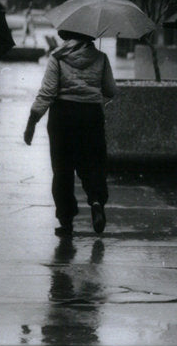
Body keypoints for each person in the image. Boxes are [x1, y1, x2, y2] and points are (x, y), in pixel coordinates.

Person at [24, 29, 117, 236]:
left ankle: (66, 221)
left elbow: (47, 93)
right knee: (93, 165)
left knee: (62, 170)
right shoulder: (101, 58)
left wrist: (32, 121)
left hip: (62, 117)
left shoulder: (57, 57)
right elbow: (111, 90)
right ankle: (96, 203)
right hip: (91, 116)